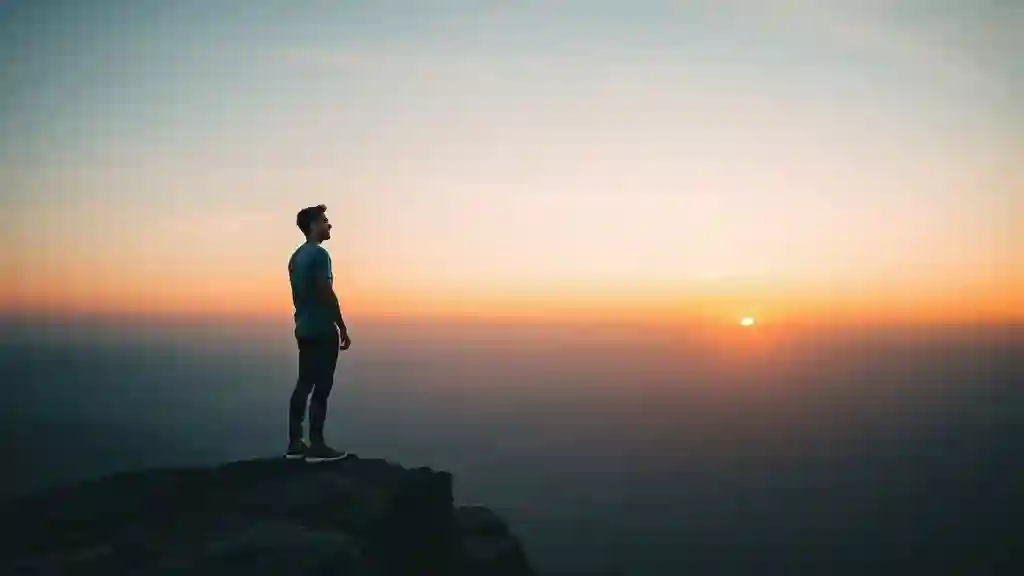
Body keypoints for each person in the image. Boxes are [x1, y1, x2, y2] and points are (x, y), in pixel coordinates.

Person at [285, 204, 352, 462]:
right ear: (313, 226)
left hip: (303, 328)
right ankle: (317, 445)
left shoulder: (295, 258)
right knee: (322, 386)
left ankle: (295, 442)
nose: (329, 225)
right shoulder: (319, 255)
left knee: (304, 382)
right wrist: (341, 325)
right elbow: (325, 291)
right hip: (322, 329)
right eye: (325, 220)